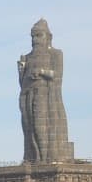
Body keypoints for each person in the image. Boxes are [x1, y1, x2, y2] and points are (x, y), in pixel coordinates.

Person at [18, 18, 71, 163]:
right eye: (33, 36)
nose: (35, 40)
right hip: (29, 95)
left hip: (46, 98)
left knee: (42, 129)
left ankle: (46, 158)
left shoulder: (55, 54)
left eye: (38, 35)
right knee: (29, 128)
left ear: (48, 37)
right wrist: (21, 69)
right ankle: (33, 158)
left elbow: (57, 76)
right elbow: (22, 83)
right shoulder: (27, 57)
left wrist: (41, 72)